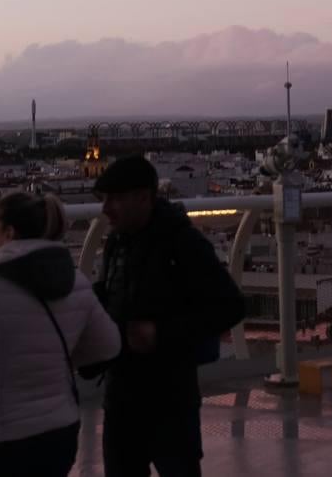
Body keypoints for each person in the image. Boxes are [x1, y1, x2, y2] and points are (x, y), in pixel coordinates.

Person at [0, 192, 121, 477]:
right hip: (58, 431)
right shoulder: (75, 282)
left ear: (9, 233)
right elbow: (108, 345)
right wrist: (60, 357)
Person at [94, 156, 246, 477]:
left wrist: (160, 334)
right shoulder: (117, 243)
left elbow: (231, 305)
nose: (106, 208)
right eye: (103, 199)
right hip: (122, 394)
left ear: (143, 197)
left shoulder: (183, 242)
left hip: (169, 396)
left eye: (115, 199)